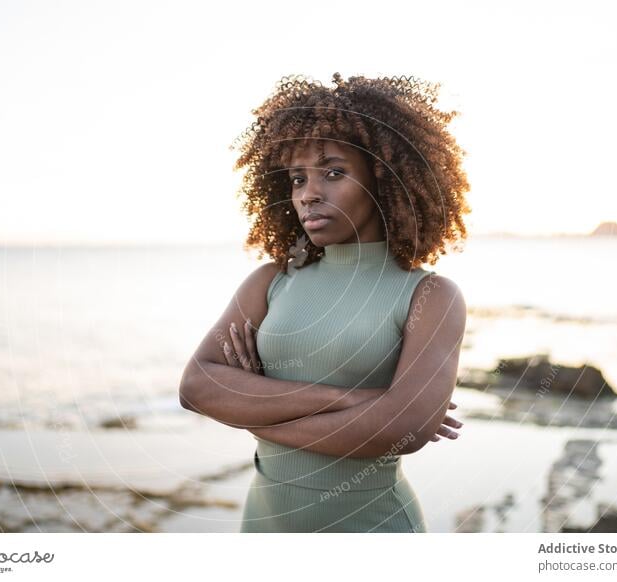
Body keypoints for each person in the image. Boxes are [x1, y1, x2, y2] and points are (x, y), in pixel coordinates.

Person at [179, 72, 471, 532]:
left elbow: (403, 430)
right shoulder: (271, 281)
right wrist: (355, 400)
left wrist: (249, 413)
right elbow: (196, 388)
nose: (308, 193)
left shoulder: (429, 295)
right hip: (263, 526)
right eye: (298, 179)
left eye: (334, 173)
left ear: (384, 177)